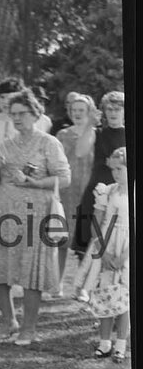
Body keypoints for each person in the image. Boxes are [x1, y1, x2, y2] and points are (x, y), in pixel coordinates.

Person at [0, 89, 71, 345]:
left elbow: (64, 178)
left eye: (22, 113)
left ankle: (28, 328)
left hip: (36, 213)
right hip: (5, 213)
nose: (17, 118)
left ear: (35, 113)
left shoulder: (48, 143)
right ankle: (8, 320)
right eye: (13, 114)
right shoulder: (5, 145)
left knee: (32, 271)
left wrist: (34, 182)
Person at [73, 148, 130, 363]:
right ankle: (104, 343)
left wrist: (123, 256)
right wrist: (103, 252)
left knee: (124, 298)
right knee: (105, 294)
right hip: (106, 245)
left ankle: (121, 345)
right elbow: (96, 223)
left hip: (126, 248)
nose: (115, 173)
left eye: (120, 169)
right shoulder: (107, 191)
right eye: (113, 169)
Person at [71, 91, 125, 261]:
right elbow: (80, 152)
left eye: (117, 109)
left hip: (122, 194)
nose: (113, 113)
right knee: (87, 250)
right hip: (96, 193)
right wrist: (90, 124)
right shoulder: (97, 132)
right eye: (109, 109)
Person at [54, 92, 97, 292]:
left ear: (89, 112)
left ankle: (82, 287)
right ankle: (57, 285)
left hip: (89, 191)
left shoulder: (96, 134)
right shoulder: (62, 135)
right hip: (67, 192)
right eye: (74, 110)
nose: (77, 114)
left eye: (82, 110)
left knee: (85, 241)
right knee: (61, 240)